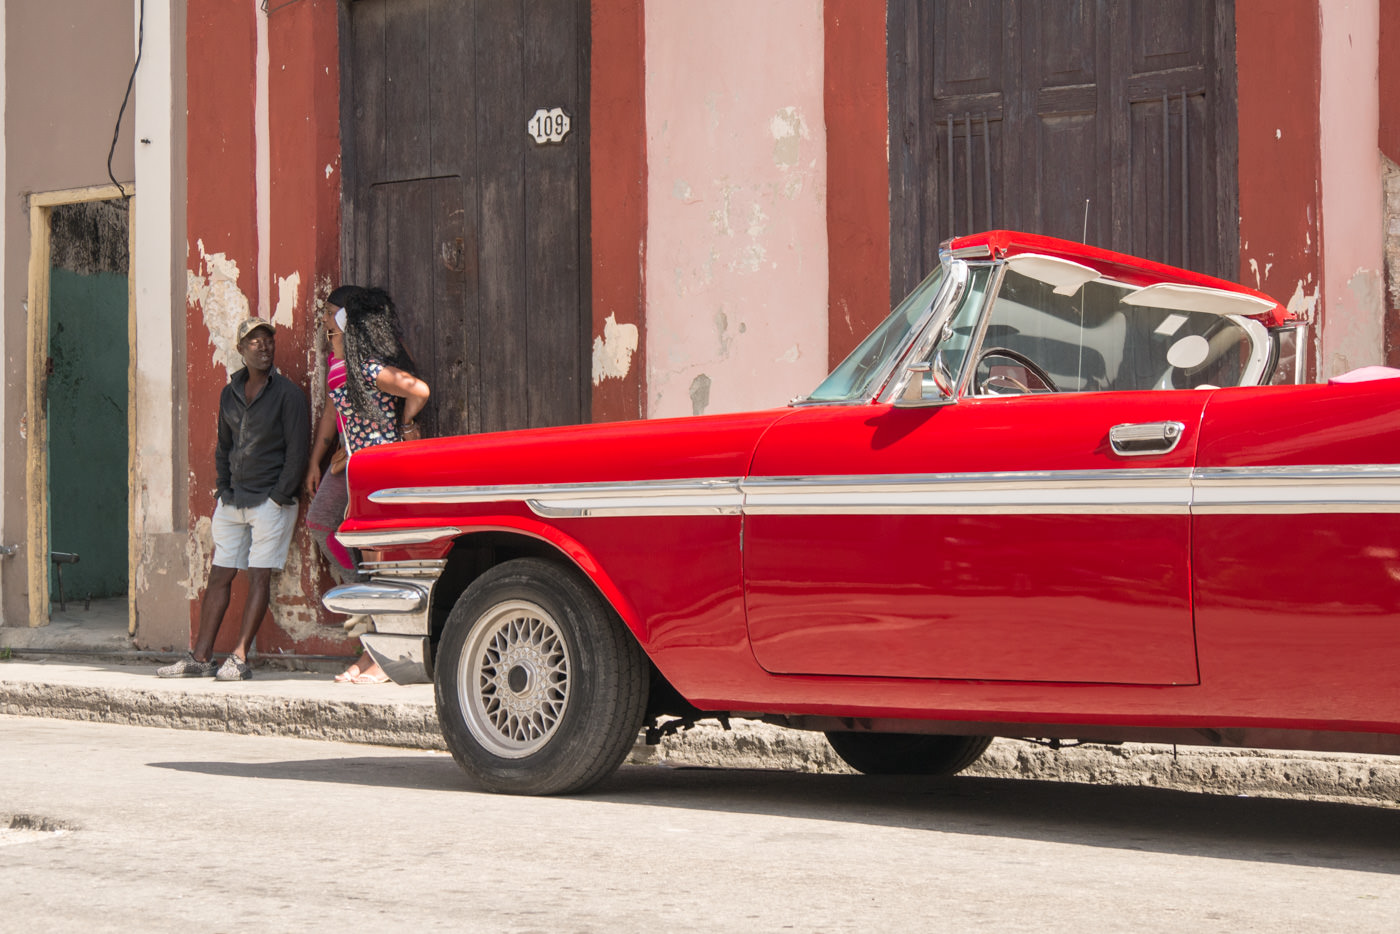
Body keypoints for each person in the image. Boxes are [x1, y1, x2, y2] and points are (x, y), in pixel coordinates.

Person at [157, 316, 310, 681]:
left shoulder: (288, 395)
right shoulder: (230, 393)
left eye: (268, 341)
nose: (264, 347)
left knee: (259, 578)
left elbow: (297, 454)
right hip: (232, 500)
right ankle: (201, 656)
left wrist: (277, 497)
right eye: (254, 342)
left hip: (270, 503)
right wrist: (222, 490)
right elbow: (224, 447)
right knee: (219, 577)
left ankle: (239, 659)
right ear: (241, 350)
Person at [330, 286, 431, 684]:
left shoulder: (370, 370)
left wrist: (405, 426)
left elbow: (418, 389)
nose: (330, 340)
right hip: (363, 474)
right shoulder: (353, 372)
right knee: (373, 569)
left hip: (382, 473)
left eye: (334, 333)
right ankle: (373, 653)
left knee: (384, 569)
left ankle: (385, 661)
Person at [304, 286, 364, 597]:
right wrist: (316, 460)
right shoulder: (335, 355)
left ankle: (364, 594)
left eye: (330, 312)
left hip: (366, 456)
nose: (325, 319)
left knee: (329, 523)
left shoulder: (369, 356)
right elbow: (332, 408)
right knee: (322, 522)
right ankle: (360, 589)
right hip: (342, 457)